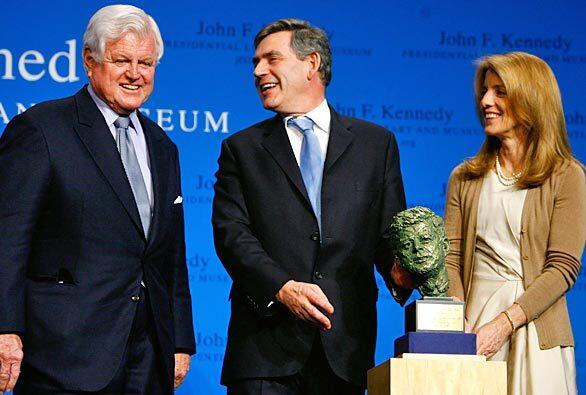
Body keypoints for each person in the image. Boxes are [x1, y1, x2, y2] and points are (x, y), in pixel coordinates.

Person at [0, 5, 195, 394]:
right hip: (63, 353)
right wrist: (5, 329)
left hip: (147, 356)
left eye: (146, 62)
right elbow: (7, 239)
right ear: (90, 61)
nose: (135, 74)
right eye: (122, 60)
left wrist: (179, 341)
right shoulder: (41, 130)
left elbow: (170, 254)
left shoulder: (162, 145)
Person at [212, 18, 413, 394]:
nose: (258, 71)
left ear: (311, 64)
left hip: (344, 349)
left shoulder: (376, 145)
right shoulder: (241, 149)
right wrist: (282, 288)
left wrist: (403, 273)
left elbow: (390, 235)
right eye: (255, 62)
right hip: (264, 350)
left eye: (272, 58)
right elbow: (232, 236)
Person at [444, 51, 585, 394]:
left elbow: (563, 268)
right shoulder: (465, 177)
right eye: (485, 91)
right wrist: (455, 324)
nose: (486, 101)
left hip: (537, 334)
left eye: (500, 92)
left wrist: (505, 323)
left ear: (532, 100)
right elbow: (450, 257)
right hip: (473, 333)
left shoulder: (566, 176)